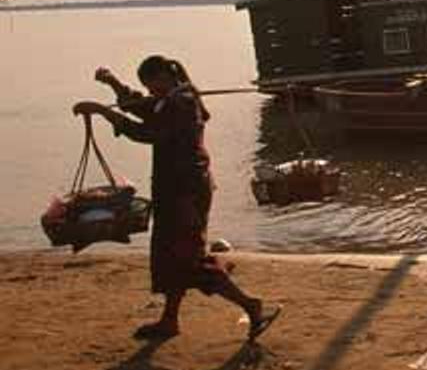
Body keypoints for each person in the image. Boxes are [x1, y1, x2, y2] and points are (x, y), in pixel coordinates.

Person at [73, 56, 280, 342]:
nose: (151, 92)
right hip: (174, 187)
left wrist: (104, 113)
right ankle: (169, 321)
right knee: (169, 253)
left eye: (153, 86)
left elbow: (148, 132)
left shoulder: (181, 103)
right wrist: (112, 83)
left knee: (189, 257)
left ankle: (251, 305)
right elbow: (140, 106)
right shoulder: (169, 100)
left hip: (186, 189)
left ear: (164, 77)